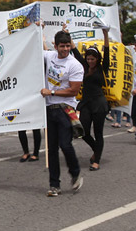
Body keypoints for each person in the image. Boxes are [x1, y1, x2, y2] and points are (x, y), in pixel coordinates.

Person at [40, 30, 84, 196]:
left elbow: (73, 91)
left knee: (65, 144)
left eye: (67, 46)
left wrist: (51, 93)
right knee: (51, 149)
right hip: (49, 109)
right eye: (62, 46)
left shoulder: (74, 65)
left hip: (65, 108)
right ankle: (54, 185)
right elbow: (32, 49)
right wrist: (37, 29)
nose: (65, 49)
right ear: (55, 45)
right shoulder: (50, 56)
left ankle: (75, 172)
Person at [71, 27, 110, 171]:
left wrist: (105, 33)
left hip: (99, 104)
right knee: (84, 132)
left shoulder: (102, 68)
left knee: (98, 132)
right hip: (86, 104)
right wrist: (67, 34)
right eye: (88, 59)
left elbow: (107, 50)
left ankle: (96, 161)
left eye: (93, 59)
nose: (90, 61)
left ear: (97, 59)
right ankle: (97, 150)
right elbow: (75, 51)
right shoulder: (84, 67)